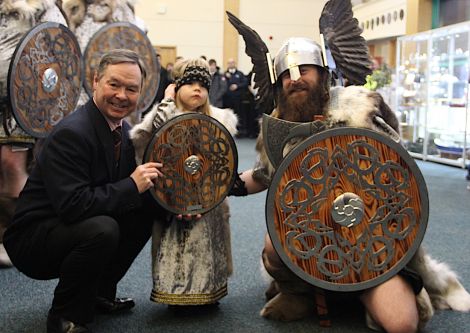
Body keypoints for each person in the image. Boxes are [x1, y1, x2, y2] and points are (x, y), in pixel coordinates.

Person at [230, 37, 470, 333]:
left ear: (323, 74)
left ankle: (360, 291)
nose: (295, 79)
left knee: (402, 324)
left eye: (304, 69)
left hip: (371, 236)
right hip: (313, 236)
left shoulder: (359, 111)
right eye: (286, 75)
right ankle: (298, 293)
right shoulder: (282, 126)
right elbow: (265, 176)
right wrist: (224, 184)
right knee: (274, 245)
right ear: (279, 85)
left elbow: (399, 171)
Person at [3, 49, 165, 333]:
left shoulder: (121, 132)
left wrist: (179, 209)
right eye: (114, 84)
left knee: (145, 210)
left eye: (131, 89)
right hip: (33, 239)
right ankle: (64, 314)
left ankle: (100, 294)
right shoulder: (73, 133)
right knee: (103, 228)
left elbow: (126, 192)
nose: (121, 95)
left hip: (69, 224)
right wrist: (131, 185)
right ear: (95, 81)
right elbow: (73, 205)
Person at [130, 58, 238, 307]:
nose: (197, 88)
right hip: (172, 194)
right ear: (176, 87)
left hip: (208, 194)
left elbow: (223, 159)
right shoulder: (166, 114)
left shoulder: (218, 120)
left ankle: (210, 292)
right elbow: (147, 141)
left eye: (202, 84)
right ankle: (176, 295)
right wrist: (167, 102)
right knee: (177, 246)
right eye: (189, 83)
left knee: (208, 245)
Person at [0, 0, 68, 268]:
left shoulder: (42, 7)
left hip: (23, 104)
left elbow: (58, 48)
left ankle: (18, 237)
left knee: (12, 165)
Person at [223, 58, 248, 137]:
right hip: (227, 99)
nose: (231, 64)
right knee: (228, 115)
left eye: (232, 62)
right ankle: (228, 131)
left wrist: (237, 86)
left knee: (238, 115)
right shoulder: (224, 74)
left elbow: (245, 83)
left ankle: (239, 131)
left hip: (238, 99)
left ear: (235, 64)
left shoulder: (240, 74)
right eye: (229, 63)